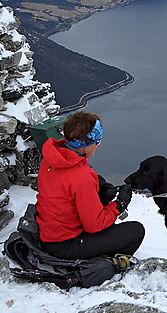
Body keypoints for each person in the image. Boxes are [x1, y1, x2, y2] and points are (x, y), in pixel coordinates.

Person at [35, 111, 144, 264]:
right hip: (65, 245)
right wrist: (120, 205)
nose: (98, 145)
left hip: (49, 233)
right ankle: (108, 265)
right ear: (85, 145)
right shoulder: (81, 176)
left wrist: (97, 188)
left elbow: (66, 188)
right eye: (97, 142)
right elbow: (94, 225)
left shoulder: (51, 158)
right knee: (136, 232)